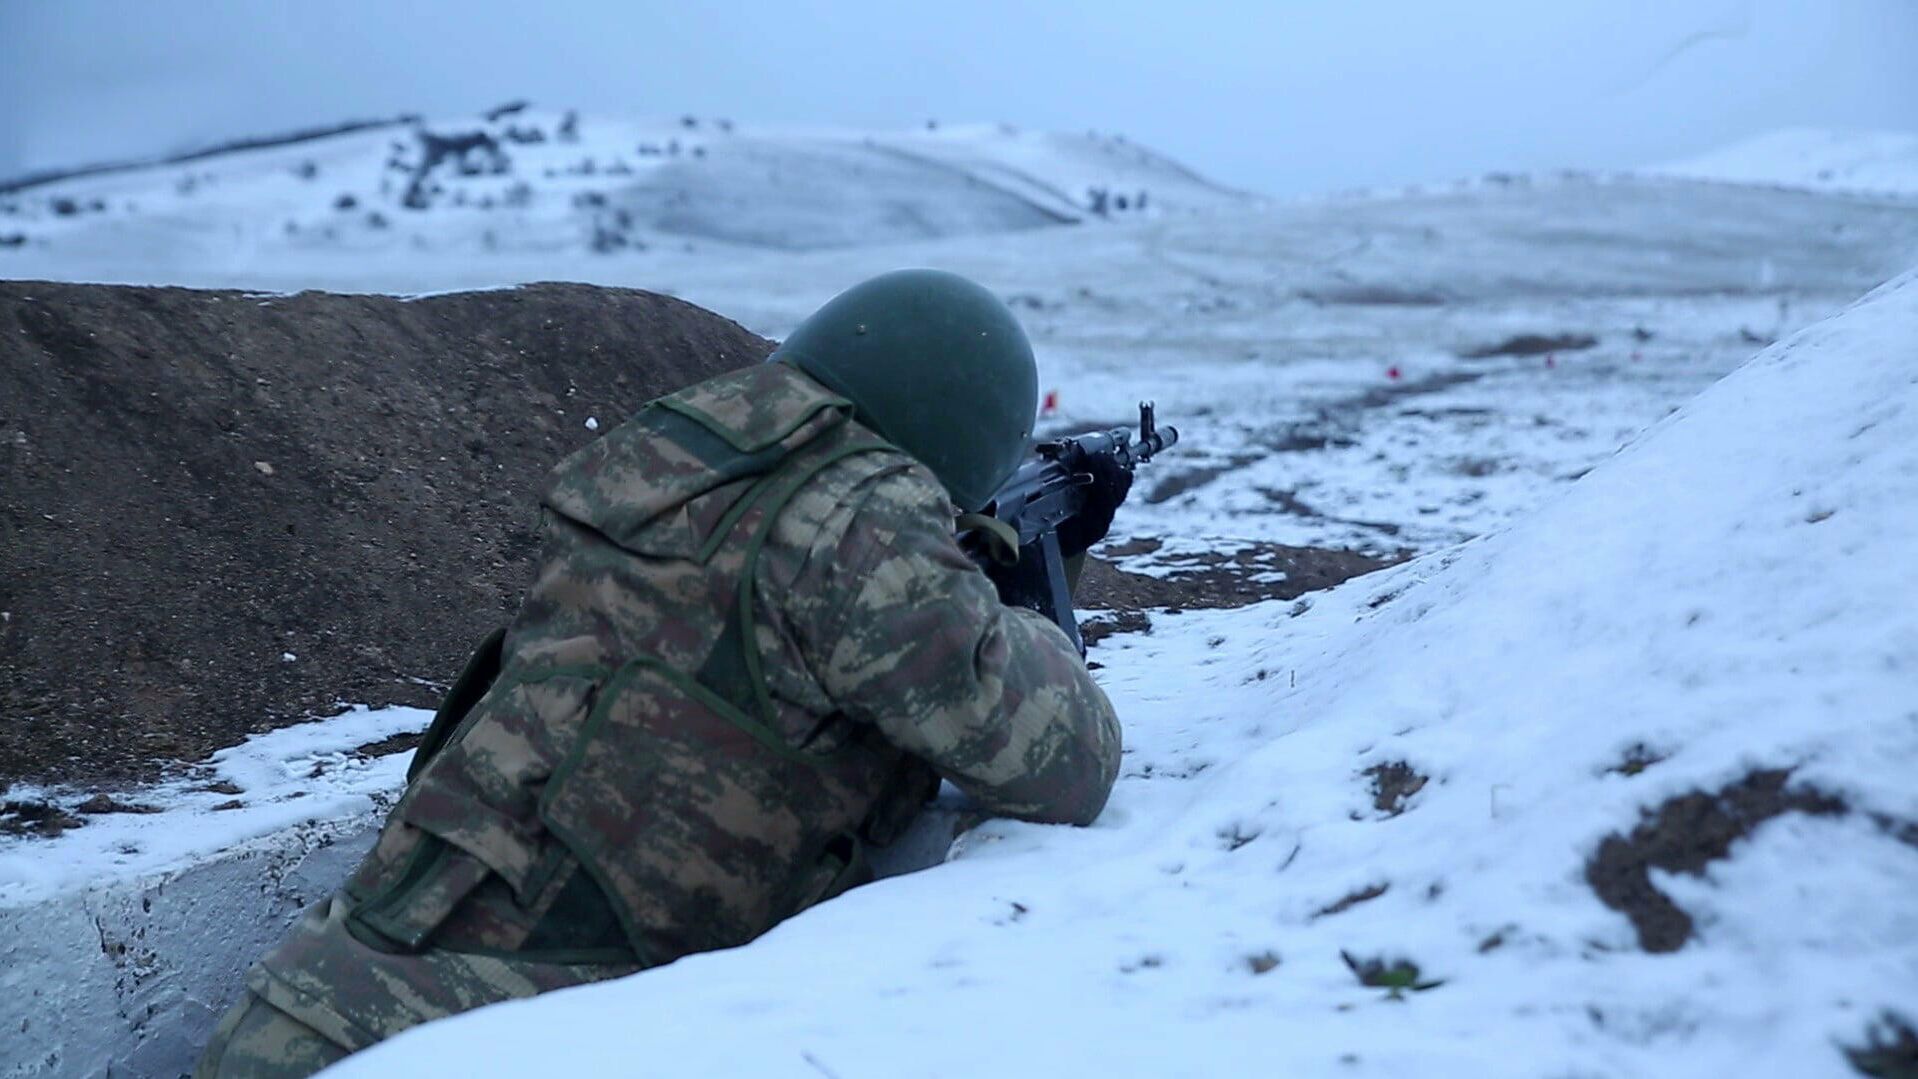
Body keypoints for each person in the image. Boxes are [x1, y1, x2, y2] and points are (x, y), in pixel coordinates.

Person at [195, 269, 1125, 1077]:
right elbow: (1066, 762)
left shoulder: (671, 470)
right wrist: (1013, 585)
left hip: (305, 1003)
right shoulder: (862, 527)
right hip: (452, 1044)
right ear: (964, 428)